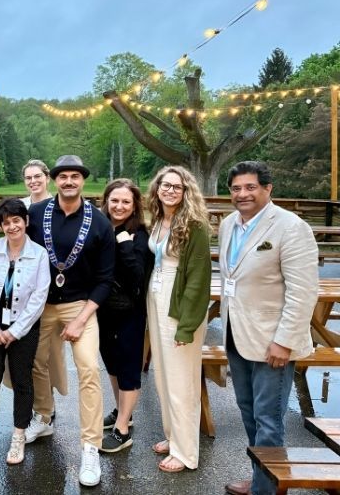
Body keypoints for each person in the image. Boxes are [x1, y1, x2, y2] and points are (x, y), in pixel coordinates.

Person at [219, 162, 318, 495]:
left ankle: (267, 489)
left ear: (267, 188)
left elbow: (303, 292)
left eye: (250, 187)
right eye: (236, 188)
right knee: (249, 413)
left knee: (269, 419)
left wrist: (284, 341)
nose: (242, 194)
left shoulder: (291, 227)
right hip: (237, 336)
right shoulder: (229, 224)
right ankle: (261, 477)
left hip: (273, 343)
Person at [23, 154, 115, 487]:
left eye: (75, 176)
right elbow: (14, 243)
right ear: (55, 180)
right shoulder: (36, 214)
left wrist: (81, 319)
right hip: (42, 303)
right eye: (63, 177)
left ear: (82, 181)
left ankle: (90, 446)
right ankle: (43, 416)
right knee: (36, 362)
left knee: (88, 368)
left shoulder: (100, 222)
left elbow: (105, 279)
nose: (69, 182)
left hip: (80, 305)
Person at [145, 165, 212, 474]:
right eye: (165, 185)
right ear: (157, 189)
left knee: (182, 380)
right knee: (163, 376)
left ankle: (186, 453)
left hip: (179, 303)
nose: (170, 190)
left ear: (186, 192)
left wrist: (186, 326)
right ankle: (173, 436)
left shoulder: (194, 225)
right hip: (156, 298)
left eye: (176, 186)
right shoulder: (159, 220)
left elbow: (198, 279)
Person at [0, 198, 50, 465]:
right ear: (1, 226)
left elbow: (39, 297)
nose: (12, 226)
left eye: (16, 220)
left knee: (22, 381)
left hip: (23, 327)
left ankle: (18, 436)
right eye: (6, 222)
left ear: (26, 221)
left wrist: (16, 331)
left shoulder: (39, 254)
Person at [97, 179, 152, 453]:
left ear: (135, 205)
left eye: (125, 202)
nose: (119, 206)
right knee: (111, 363)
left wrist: (124, 244)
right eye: (115, 200)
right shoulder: (99, 228)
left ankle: (122, 430)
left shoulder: (139, 235)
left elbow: (138, 276)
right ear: (106, 201)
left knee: (128, 367)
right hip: (102, 309)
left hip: (129, 310)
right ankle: (122, 411)